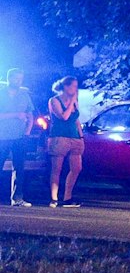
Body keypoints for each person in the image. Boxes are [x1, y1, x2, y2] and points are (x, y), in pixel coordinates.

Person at [45, 76, 85, 209]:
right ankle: (54, 198)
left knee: (77, 168)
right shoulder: (54, 101)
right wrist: (71, 102)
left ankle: (67, 197)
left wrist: (81, 136)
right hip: (59, 137)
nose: (75, 89)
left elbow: (76, 119)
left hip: (74, 137)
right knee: (57, 168)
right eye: (73, 86)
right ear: (66, 87)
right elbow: (64, 116)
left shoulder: (75, 101)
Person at [2, 68, 35, 206]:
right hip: (2, 136)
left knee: (19, 167)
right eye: (16, 78)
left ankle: (17, 198)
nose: (19, 81)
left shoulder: (24, 95)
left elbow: (30, 114)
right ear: (9, 78)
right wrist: (15, 115)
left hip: (19, 136)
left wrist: (28, 131)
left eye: (21, 79)